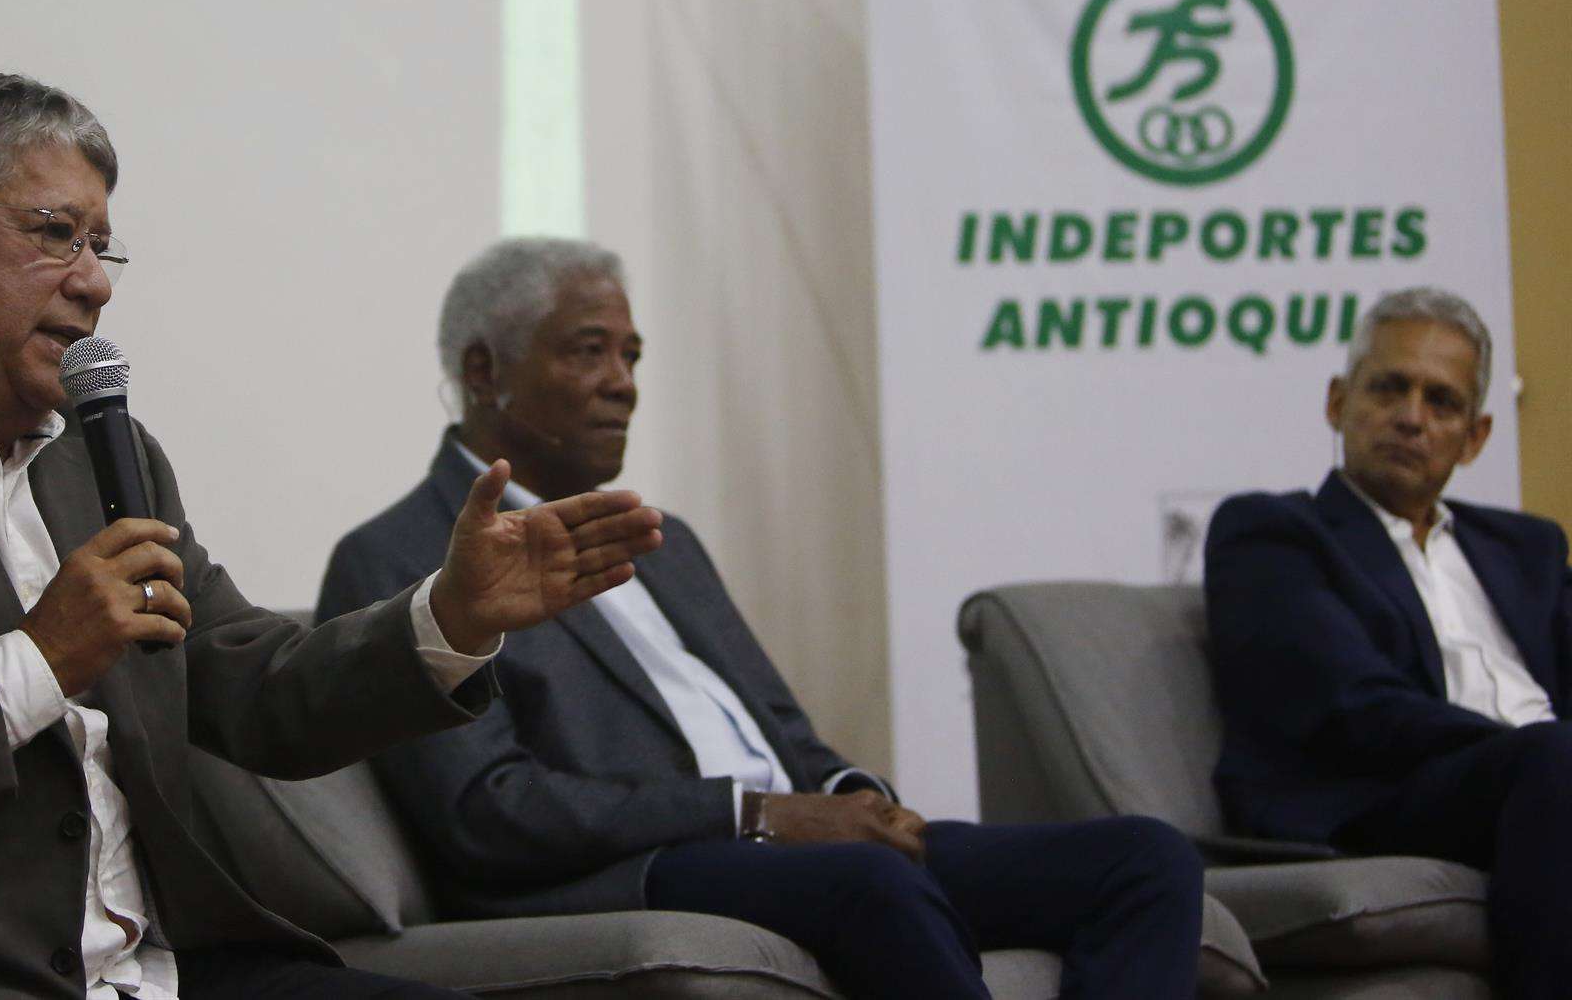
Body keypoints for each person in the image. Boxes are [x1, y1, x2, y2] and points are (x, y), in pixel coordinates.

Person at [0, 75, 662, 1000]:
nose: (94, 284)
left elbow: (255, 689)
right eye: (55, 235)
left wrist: (447, 620)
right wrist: (35, 662)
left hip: (165, 972)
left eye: (102, 246)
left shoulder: (100, 453)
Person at [317, 238, 1205, 1000]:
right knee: (864, 880)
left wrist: (853, 794)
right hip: (629, 869)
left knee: (1145, 860)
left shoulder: (667, 542)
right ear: (485, 371)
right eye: (590, 351)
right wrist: (754, 816)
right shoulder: (398, 556)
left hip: (791, 842)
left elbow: (785, 733)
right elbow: (489, 810)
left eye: (633, 355)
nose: (623, 384)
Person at [1206, 286, 1572, 1000]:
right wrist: (1529, 749)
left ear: (1475, 437)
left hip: (1546, 775)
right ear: (1338, 402)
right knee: (1557, 760)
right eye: (1389, 387)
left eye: (1441, 401)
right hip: (1386, 790)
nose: (1411, 417)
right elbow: (1353, 705)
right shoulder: (1274, 534)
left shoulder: (1527, 547)